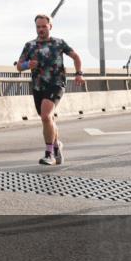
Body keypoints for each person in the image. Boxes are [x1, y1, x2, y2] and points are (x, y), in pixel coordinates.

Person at [15, 14, 85, 166]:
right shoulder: (30, 45)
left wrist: (79, 74)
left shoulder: (59, 43)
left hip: (56, 83)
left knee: (46, 116)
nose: (40, 29)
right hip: (38, 86)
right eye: (38, 27)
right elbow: (19, 66)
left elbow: (76, 57)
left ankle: (49, 154)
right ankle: (56, 146)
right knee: (48, 119)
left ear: (50, 26)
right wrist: (28, 65)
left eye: (43, 26)